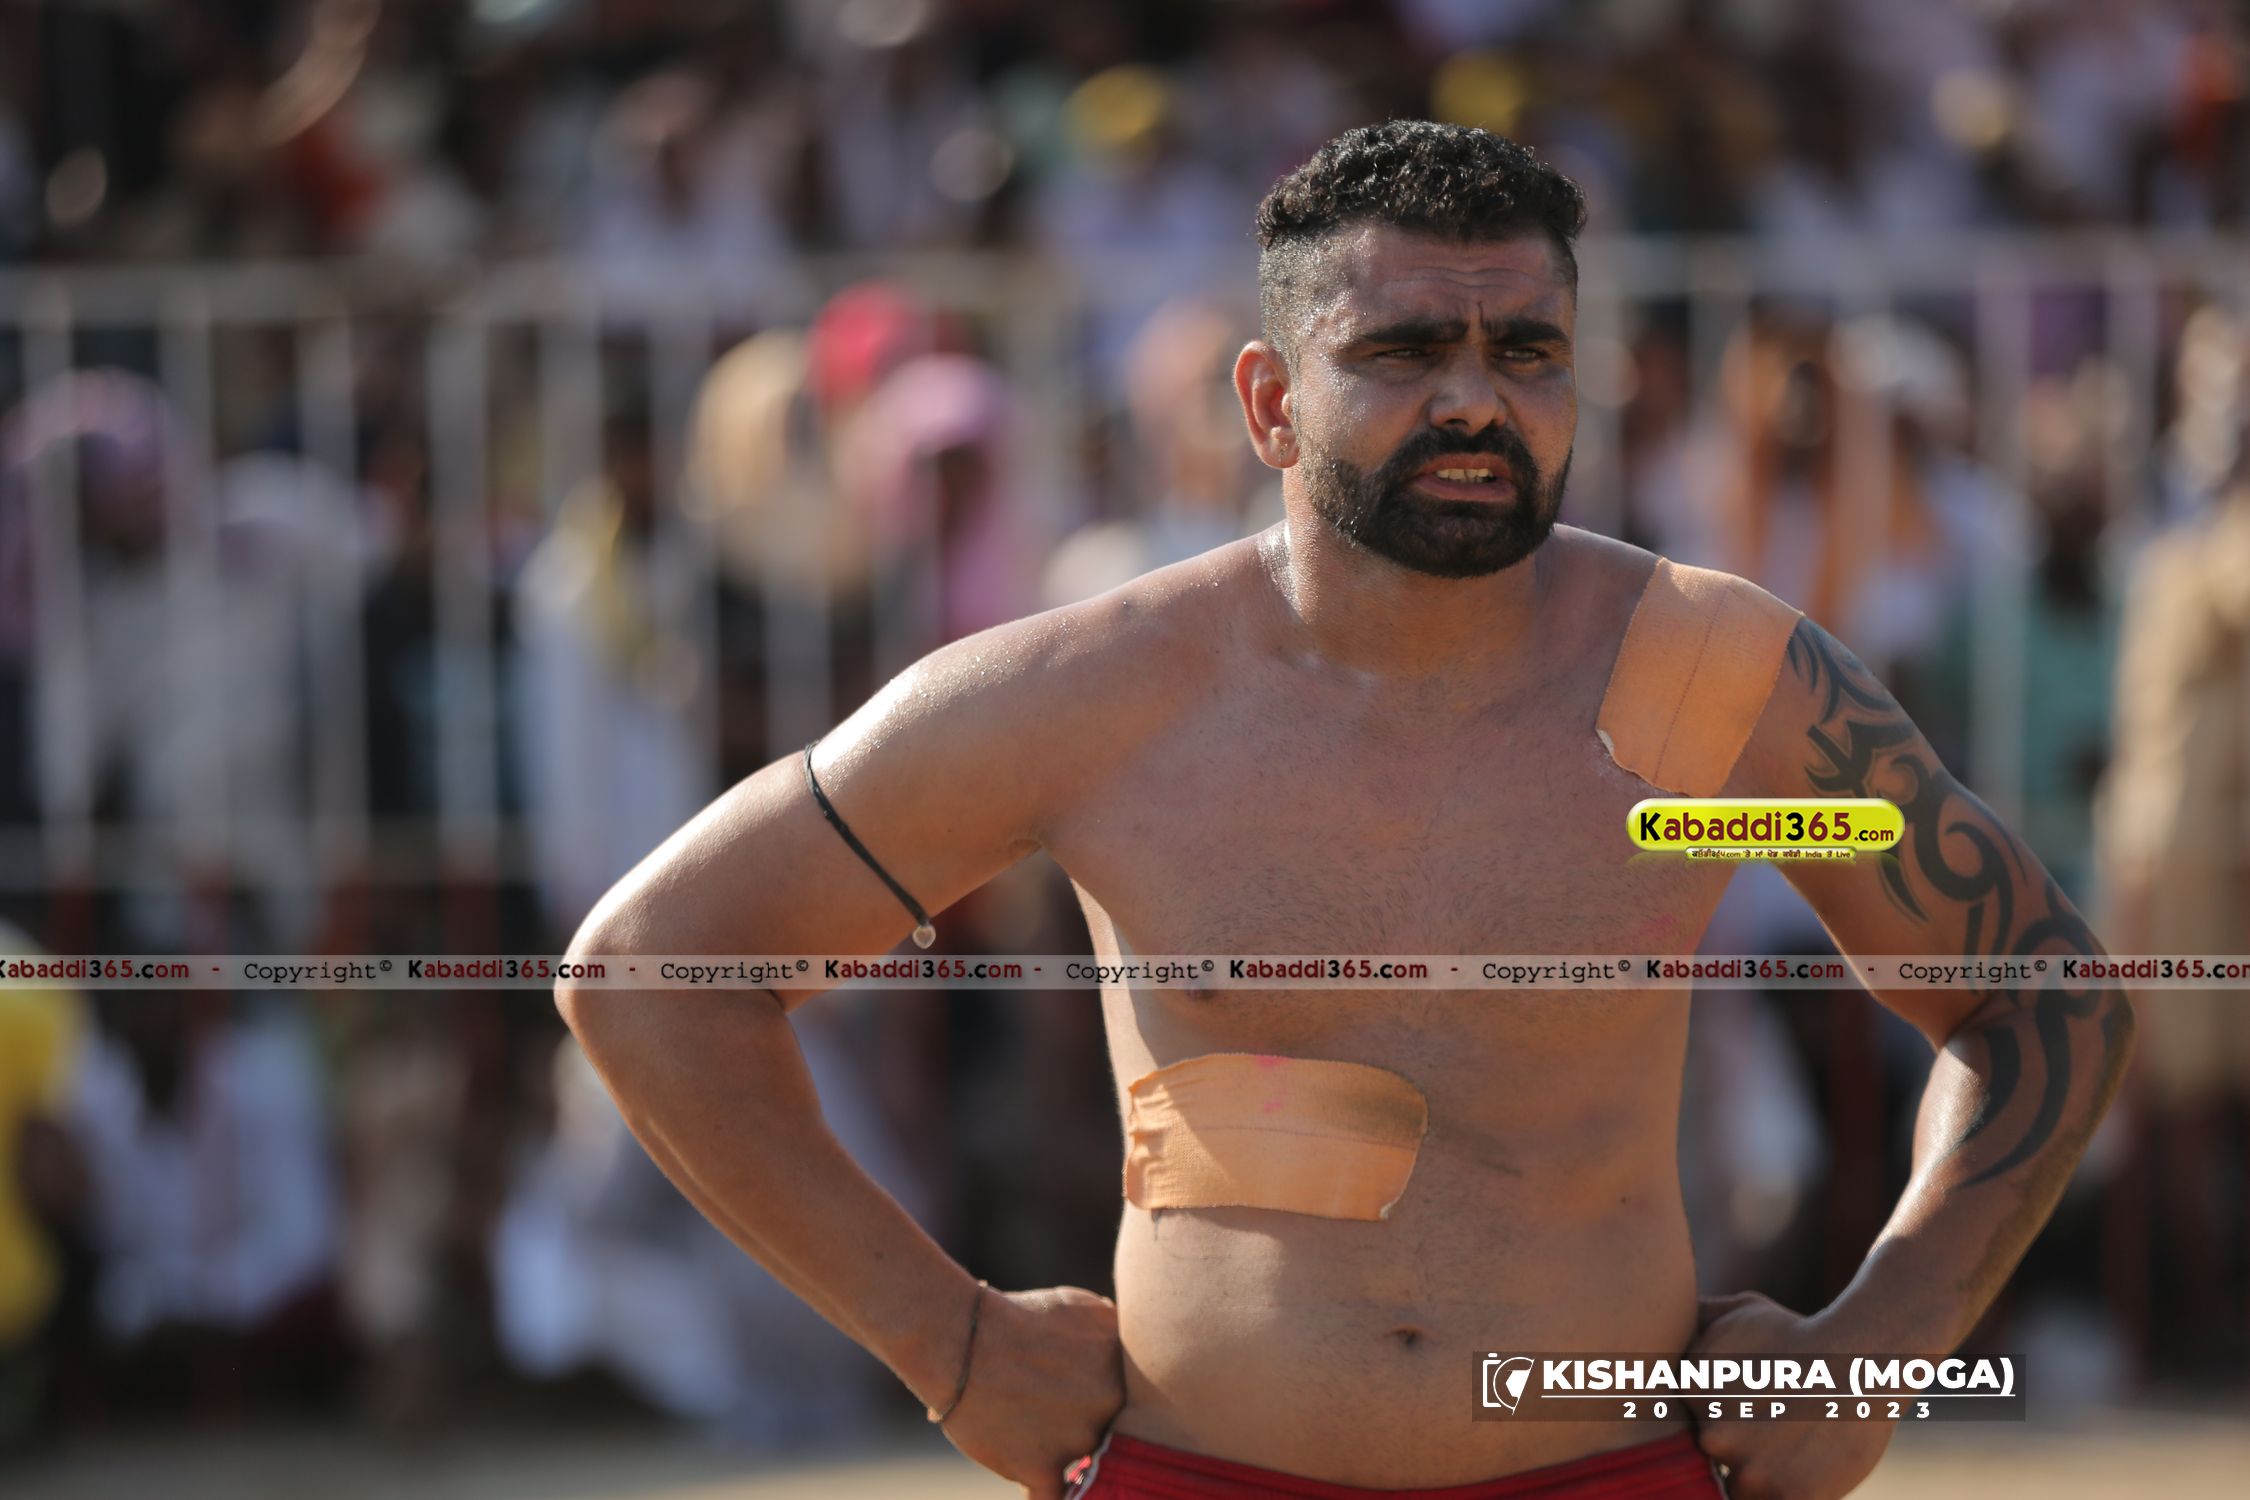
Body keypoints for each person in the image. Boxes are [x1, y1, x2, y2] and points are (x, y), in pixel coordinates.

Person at [556, 123, 2135, 1500]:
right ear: (1268, 402)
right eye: (1399, 353)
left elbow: (2033, 993)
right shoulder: (1092, 693)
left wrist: (1879, 1346)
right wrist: (943, 1340)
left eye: (1526, 353)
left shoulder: (1715, 681)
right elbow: (654, 969)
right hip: (1196, 1473)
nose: (1473, 402)